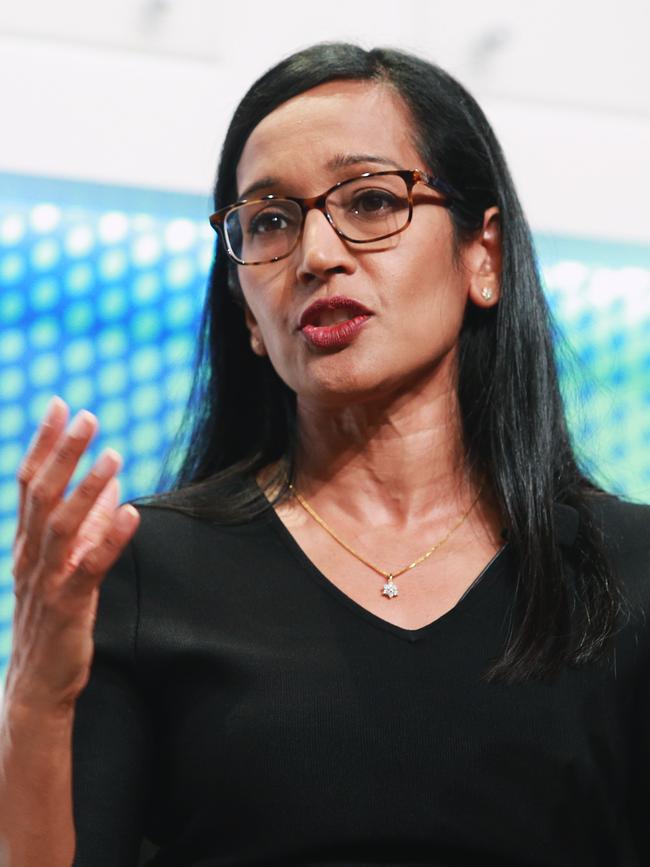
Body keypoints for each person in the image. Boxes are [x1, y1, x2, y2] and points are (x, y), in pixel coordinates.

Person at [1, 41, 648, 867]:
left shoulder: (626, 568)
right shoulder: (143, 567)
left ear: (482, 256)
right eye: (269, 221)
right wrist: (38, 700)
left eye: (372, 201)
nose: (316, 255)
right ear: (245, 312)